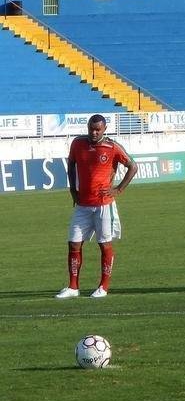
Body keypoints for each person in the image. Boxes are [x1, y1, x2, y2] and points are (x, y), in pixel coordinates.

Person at [56, 114, 138, 299]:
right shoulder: (78, 144)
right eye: (91, 129)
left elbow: (133, 166)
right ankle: (73, 287)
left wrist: (118, 189)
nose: (94, 132)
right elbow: (71, 165)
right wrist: (72, 189)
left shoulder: (112, 147)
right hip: (82, 204)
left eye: (97, 129)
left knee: (104, 244)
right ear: (87, 127)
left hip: (103, 205)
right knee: (74, 243)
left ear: (104, 129)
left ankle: (103, 287)